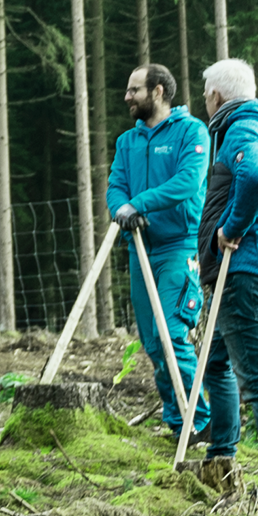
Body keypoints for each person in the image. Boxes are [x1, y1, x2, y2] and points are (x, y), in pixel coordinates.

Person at [191, 59, 258, 498]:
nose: (204, 103)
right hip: (257, 270)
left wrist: (231, 229)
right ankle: (221, 453)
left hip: (245, 271)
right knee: (214, 362)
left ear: (217, 96)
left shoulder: (242, 130)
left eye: (205, 96)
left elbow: (255, 176)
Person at [102, 63, 210, 438]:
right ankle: (176, 419)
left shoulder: (190, 132)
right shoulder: (127, 142)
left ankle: (200, 421)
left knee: (173, 335)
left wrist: (141, 203)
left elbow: (187, 182)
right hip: (140, 250)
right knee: (151, 341)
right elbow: (115, 186)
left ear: (159, 92)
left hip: (179, 247)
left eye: (135, 90)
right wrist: (121, 209)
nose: (127, 96)